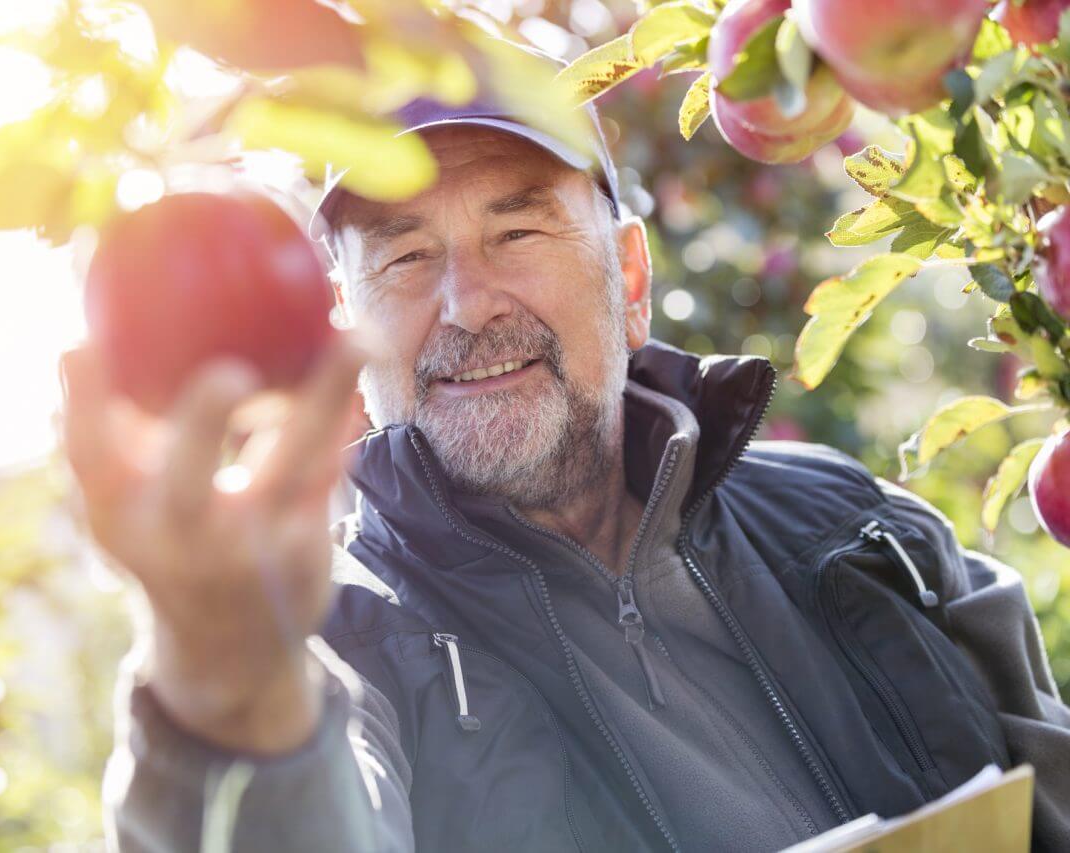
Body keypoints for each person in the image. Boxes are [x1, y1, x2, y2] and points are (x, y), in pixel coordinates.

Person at [61, 89, 1070, 852]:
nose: (466, 302)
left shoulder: (857, 527)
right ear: (349, 324)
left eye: (515, 229)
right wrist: (229, 691)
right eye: (404, 257)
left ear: (627, 279)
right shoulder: (338, 653)